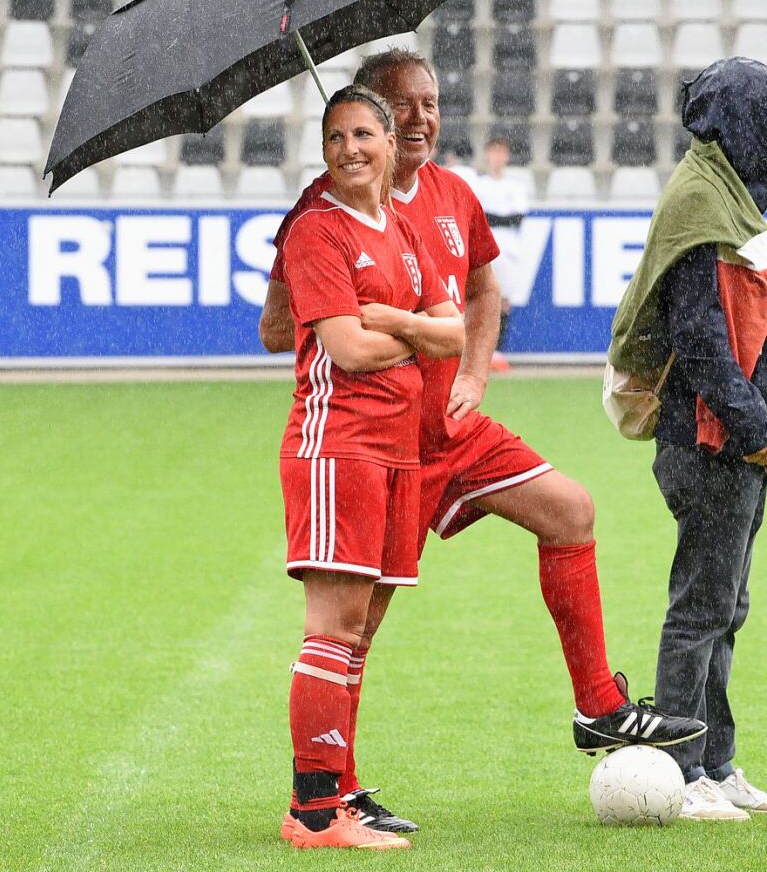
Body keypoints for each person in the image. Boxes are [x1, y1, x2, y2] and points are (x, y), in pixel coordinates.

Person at [262, 49, 706, 834]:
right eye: (403, 106)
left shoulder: (445, 197)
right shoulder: (318, 215)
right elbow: (280, 332)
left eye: (430, 103)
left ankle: (598, 706)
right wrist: (307, 280)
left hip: (452, 430)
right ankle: (335, 791)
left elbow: (478, 292)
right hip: (376, 440)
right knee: (353, 628)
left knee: (570, 509)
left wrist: (468, 372)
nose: (422, 119)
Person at [278, 84, 463, 850]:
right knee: (335, 624)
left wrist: (400, 322)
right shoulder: (315, 233)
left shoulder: (400, 229)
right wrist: (415, 332)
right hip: (337, 445)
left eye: (361, 134)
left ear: (391, 144)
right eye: (334, 137)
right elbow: (347, 350)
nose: (348, 149)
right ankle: (314, 811)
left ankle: (341, 791)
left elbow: (454, 333)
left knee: (363, 627)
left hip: (397, 452)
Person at [608, 57, 767, 821]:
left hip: (731, 438)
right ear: (740, 119)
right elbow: (701, 337)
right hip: (708, 439)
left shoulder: (729, 194)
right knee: (701, 607)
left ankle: (715, 761)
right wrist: (755, 428)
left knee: (724, 604)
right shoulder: (705, 202)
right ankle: (680, 770)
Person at [472, 136, 531, 370]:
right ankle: (479, 351)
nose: (497, 158)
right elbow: (479, 216)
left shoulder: (515, 187)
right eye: (493, 152)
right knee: (480, 298)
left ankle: (498, 351)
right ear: (488, 155)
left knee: (504, 300)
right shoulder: (479, 185)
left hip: (508, 250)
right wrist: (496, 218)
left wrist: (492, 217)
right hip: (483, 247)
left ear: (506, 156)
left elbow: (517, 217)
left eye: (501, 153)